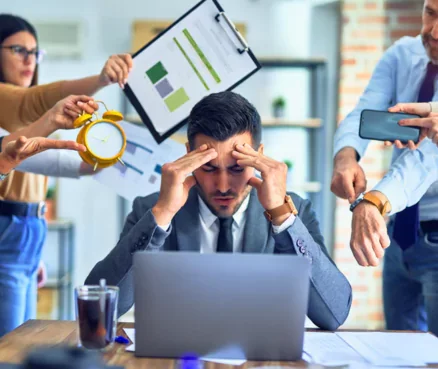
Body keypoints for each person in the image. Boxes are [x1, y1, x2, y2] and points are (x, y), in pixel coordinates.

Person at [86, 91, 352, 331]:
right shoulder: (150, 209)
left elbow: (334, 313)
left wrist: (282, 217)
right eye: (209, 168)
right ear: (189, 155)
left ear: (259, 156)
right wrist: (163, 213)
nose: (223, 186)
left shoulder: (295, 212)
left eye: (237, 168)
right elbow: (96, 313)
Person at [0, 13, 132, 336]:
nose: (29, 60)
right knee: (11, 346)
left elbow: (44, 160)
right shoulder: (10, 97)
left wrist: (105, 158)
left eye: (35, 52)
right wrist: (100, 80)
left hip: (28, 230)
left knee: (20, 339)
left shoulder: (20, 114)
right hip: (11, 227)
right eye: (19, 50)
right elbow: (43, 98)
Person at [331, 0, 438, 335]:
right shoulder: (402, 54)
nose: (433, 32)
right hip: (399, 233)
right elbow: (364, 112)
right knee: (400, 350)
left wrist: (375, 200)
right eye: (430, 12)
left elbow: (427, 158)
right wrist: (346, 156)